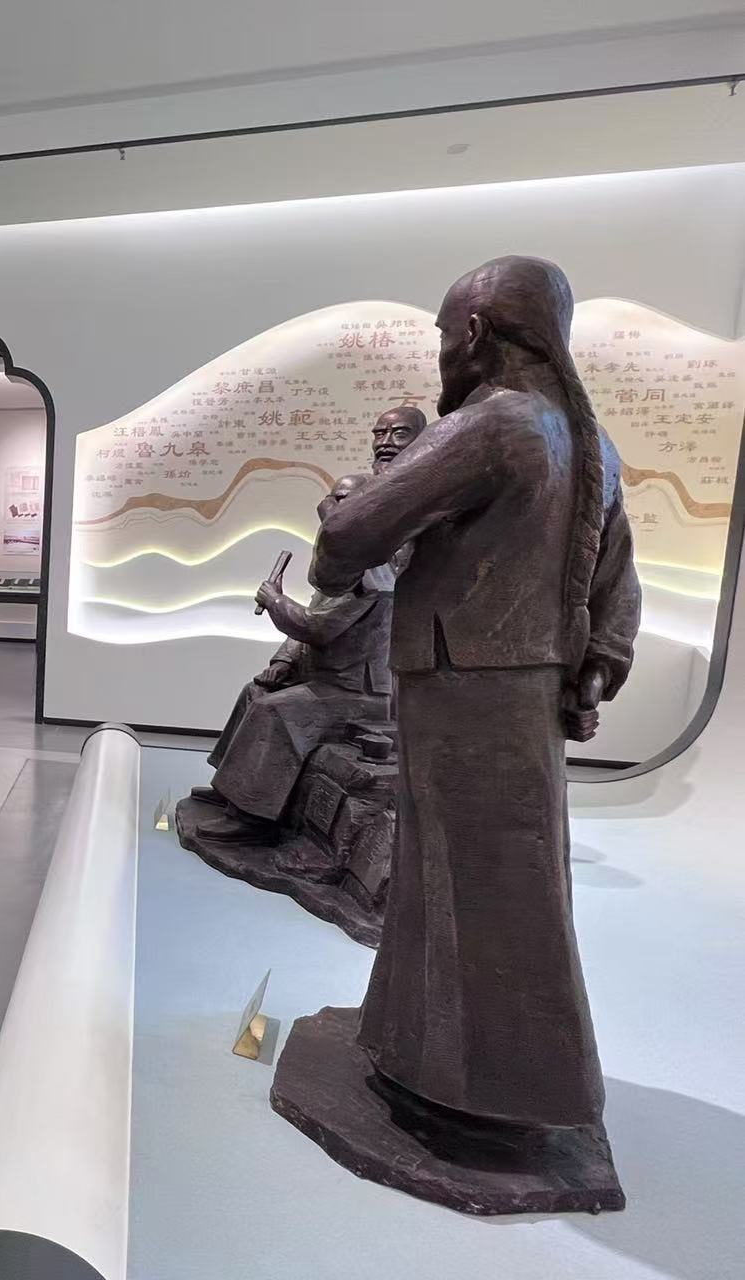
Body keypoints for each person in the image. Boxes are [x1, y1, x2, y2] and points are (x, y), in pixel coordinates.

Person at [310, 256, 641, 1131]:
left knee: (468, 883)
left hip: (464, 687)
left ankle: (479, 1087)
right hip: (527, 690)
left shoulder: (493, 425)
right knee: (501, 877)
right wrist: (599, 663)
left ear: (477, 332)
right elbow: (618, 581)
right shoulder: (592, 443)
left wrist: (334, 542)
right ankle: (429, 1055)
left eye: (443, 334)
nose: (441, 352)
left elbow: (349, 536)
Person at [191, 475, 394, 842]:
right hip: (324, 680)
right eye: (333, 500)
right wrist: (283, 663)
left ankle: (252, 817)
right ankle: (228, 790)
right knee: (254, 692)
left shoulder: (373, 577)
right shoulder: (343, 568)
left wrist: (275, 601)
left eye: (345, 501)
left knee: (275, 711)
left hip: (356, 692)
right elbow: (308, 625)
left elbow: (316, 627)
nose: (333, 509)